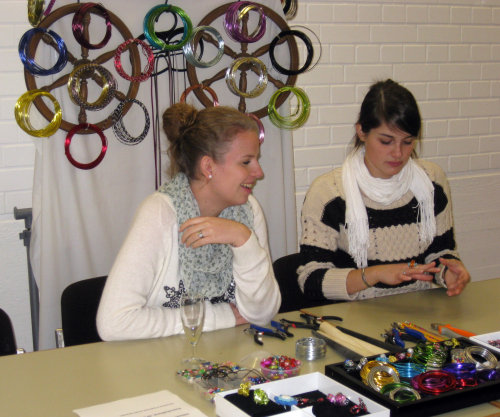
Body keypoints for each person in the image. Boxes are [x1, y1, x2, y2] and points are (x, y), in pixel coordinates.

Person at [97, 103, 281, 341]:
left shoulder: (249, 211)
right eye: (246, 162)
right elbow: (114, 323)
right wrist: (221, 317)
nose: (259, 172)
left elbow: (263, 313)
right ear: (208, 167)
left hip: (229, 362)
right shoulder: (160, 213)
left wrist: (243, 239)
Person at [298, 79, 470, 302]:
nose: (398, 153)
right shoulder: (328, 193)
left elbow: (440, 254)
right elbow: (310, 280)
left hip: (421, 311)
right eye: (386, 141)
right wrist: (376, 274)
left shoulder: (432, 182)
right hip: (355, 317)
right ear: (361, 131)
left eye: (408, 142)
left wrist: (449, 272)